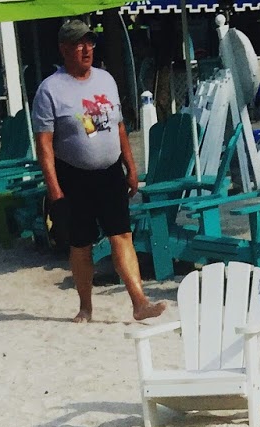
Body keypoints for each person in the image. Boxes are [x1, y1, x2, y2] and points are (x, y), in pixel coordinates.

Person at [32, 18, 166, 325]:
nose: (86, 49)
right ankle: (85, 306)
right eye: (78, 44)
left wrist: (131, 167)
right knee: (82, 244)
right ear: (64, 49)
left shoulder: (106, 80)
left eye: (89, 42)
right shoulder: (50, 90)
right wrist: (55, 191)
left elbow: (119, 128)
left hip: (110, 172)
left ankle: (139, 301)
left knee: (122, 235)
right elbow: (44, 145)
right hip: (73, 175)